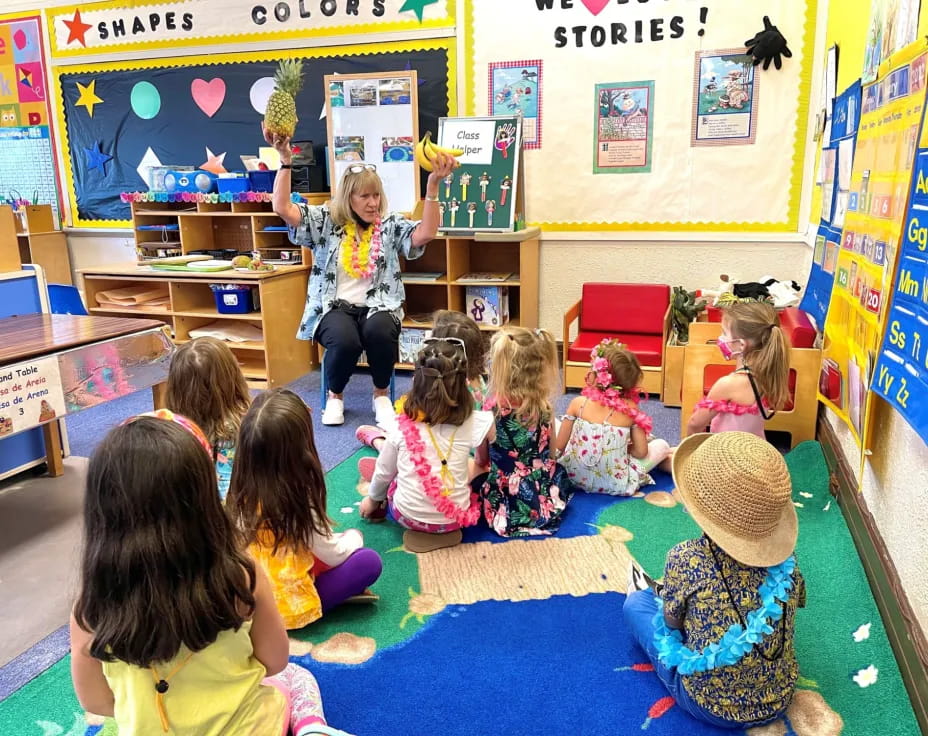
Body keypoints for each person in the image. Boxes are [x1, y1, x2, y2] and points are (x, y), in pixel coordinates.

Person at [69, 410, 339, 735]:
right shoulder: (241, 576)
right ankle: (312, 728)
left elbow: (96, 701)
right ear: (204, 501)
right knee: (296, 677)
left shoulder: (90, 607)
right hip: (249, 728)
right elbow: (275, 660)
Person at [265, 125, 455, 427]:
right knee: (345, 341)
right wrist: (285, 159)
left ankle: (381, 396)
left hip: (379, 304)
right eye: (364, 196)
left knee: (380, 332)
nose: (373, 203)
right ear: (347, 197)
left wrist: (432, 188)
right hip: (334, 306)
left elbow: (426, 233)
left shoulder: (389, 224)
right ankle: (335, 396)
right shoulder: (325, 219)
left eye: (376, 195)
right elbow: (282, 207)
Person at [624, 431, 805, 729]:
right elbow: (796, 601)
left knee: (636, 604)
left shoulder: (686, 557)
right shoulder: (787, 561)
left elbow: (672, 625)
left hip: (708, 703)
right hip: (780, 694)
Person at [227, 389, 383, 628]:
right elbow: (331, 553)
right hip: (289, 604)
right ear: (301, 446)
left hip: (247, 600)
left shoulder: (238, 491)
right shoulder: (297, 495)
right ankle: (314, 603)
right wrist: (354, 539)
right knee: (367, 561)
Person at [359, 338, 495, 553]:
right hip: (455, 520)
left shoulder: (402, 424)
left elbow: (384, 473)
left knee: (394, 471)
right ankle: (379, 443)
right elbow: (484, 462)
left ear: (417, 382)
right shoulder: (479, 421)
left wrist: (371, 501)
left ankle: (378, 442)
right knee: (472, 466)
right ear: (464, 384)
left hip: (408, 516)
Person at [354, 309, 489, 477]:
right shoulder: (479, 380)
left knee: (407, 454)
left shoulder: (437, 382)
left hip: (447, 453)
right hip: (449, 451)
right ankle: (382, 445)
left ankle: (383, 449)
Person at [474, 326, 573, 537]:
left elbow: (481, 460)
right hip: (541, 492)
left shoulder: (490, 409)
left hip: (506, 500)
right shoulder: (545, 407)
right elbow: (552, 455)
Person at [555, 339, 671, 495]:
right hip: (615, 483)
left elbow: (559, 447)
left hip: (573, 477)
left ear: (597, 377)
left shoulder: (578, 404)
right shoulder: (630, 409)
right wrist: (623, 447)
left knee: (557, 423)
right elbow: (641, 452)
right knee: (662, 445)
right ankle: (669, 454)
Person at [685, 301, 790, 438]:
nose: (720, 338)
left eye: (724, 333)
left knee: (663, 449)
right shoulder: (770, 373)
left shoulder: (728, 384)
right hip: (755, 448)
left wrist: (688, 452)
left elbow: (695, 423)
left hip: (727, 453)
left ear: (741, 345)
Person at [165, 337, 250, 500]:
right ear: (233, 377)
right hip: (219, 516)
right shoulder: (239, 428)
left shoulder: (168, 429)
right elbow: (225, 499)